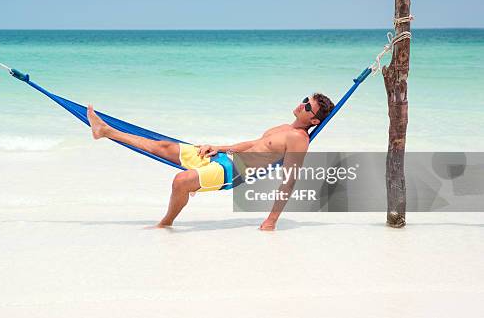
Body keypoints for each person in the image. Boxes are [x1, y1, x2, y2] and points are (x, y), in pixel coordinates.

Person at [86, 93, 335, 230]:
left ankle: (165, 224)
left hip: (233, 171)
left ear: (314, 121)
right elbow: (250, 145)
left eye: (307, 107)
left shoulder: (299, 140)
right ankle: (106, 131)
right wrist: (218, 146)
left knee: (181, 181)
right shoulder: (283, 127)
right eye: (305, 100)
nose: (301, 105)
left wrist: (271, 221)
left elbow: (289, 182)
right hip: (224, 157)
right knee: (163, 146)